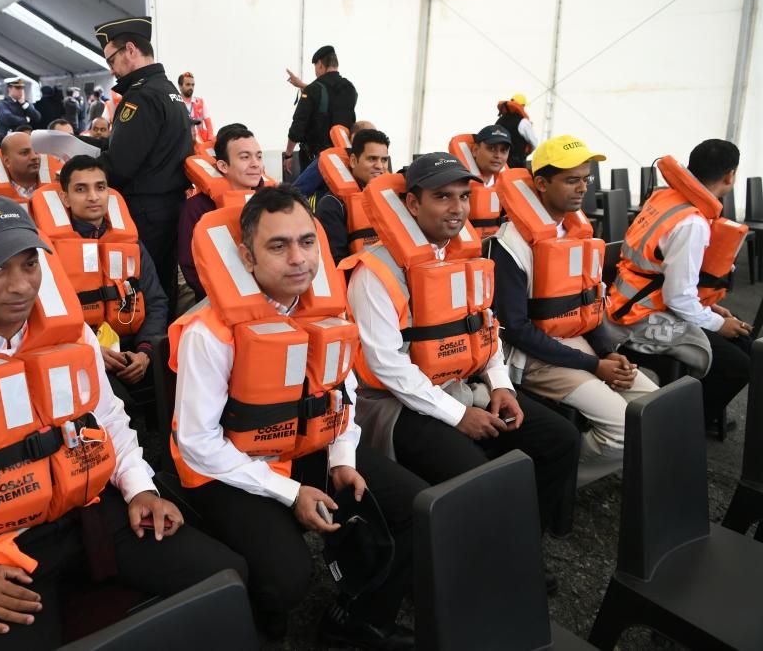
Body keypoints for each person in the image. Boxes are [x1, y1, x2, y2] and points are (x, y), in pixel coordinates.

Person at [0, 194, 247, 651]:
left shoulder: (73, 336)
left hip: (95, 514)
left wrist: (140, 488)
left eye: (30, 264)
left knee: (228, 578)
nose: (21, 285)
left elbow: (108, 417)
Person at [172, 185, 426, 648]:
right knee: (288, 578)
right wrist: (290, 493)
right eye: (278, 245)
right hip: (225, 468)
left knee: (415, 505)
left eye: (307, 242)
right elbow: (196, 442)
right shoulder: (208, 333)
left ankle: (357, 619)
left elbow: (342, 392)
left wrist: (342, 457)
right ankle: (265, 634)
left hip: (306, 445)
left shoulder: (326, 310)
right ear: (247, 257)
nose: (299, 259)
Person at [343, 153, 579, 590]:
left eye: (464, 196)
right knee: (476, 472)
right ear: (412, 205)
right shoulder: (374, 273)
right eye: (442, 197)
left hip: (458, 384)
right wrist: (458, 416)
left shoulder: (464, 258)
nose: (457, 208)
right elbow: (387, 367)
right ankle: (477, 566)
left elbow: (484, 328)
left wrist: (501, 385)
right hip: (395, 406)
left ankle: (517, 545)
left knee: (559, 441)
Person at [490, 136, 657, 484]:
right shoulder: (509, 245)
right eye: (571, 179)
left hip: (578, 342)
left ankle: (570, 474)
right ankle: (556, 480)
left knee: (653, 407)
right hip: (532, 356)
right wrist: (594, 365)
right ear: (541, 183)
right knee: (625, 429)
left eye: (586, 178)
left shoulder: (578, 232)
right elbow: (517, 329)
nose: (582, 188)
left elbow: (590, 302)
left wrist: (609, 353)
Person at [606, 139, 751, 430]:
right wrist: (715, 322)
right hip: (639, 318)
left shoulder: (667, 197)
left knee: (743, 345)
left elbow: (668, 279)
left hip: (628, 299)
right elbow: (678, 297)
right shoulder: (692, 223)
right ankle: (681, 430)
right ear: (730, 175)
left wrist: (710, 308)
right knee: (739, 365)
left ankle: (698, 415)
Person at [94, 16, 194, 316]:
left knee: (146, 291)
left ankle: (150, 356)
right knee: (164, 284)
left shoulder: (141, 96)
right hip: (169, 205)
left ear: (130, 49)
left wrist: (85, 166)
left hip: (145, 210)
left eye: (112, 59)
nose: (111, 69)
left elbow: (121, 165)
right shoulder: (168, 91)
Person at [56, 154, 168, 399]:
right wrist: (92, 349)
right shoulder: (51, 251)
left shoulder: (132, 244)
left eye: (100, 187)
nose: (93, 197)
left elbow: (156, 301)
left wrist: (145, 353)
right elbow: (51, 320)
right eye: (81, 189)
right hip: (84, 351)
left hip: (135, 347)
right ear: (65, 197)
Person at [178, 124, 264, 302]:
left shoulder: (272, 201)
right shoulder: (196, 208)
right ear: (223, 166)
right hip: (217, 301)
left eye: (259, 156)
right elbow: (191, 267)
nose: (255, 164)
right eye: (245, 157)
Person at [315, 128, 390, 264]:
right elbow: (337, 262)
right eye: (372, 158)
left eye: (384, 160)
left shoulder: (392, 197)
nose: (380, 166)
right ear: (354, 161)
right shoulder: (332, 205)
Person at [283, 45, 358, 175]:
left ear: (320, 64)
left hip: (316, 161)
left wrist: (289, 155)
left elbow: (298, 125)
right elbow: (331, 98)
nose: (316, 72)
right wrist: (303, 85)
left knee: (310, 194)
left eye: (315, 68)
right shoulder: (350, 88)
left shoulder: (313, 90)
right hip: (342, 159)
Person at [293, 119, 374, 201]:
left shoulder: (376, 165)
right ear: (354, 137)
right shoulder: (328, 159)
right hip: (324, 207)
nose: (374, 141)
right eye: (369, 137)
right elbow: (297, 191)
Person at [0, 132, 41, 200]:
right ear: (7, 161)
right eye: (24, 153)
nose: (34, 156)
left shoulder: (58, 188)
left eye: (36, 151)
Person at [495, 93, 538, 169]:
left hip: (498, 162)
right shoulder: (523, 122)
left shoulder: (499, 121)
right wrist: (526, 154)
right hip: (516, 164)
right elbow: (534, 142)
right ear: (523, 106)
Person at [177, 71, 214, 143]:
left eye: (192, 85)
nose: (191, 87)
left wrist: (210, 139)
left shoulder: (200, 102)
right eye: (188, 84)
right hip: (183, 142)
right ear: (180, 86)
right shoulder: (175, 103)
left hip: (200, 142)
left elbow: (208, 123)